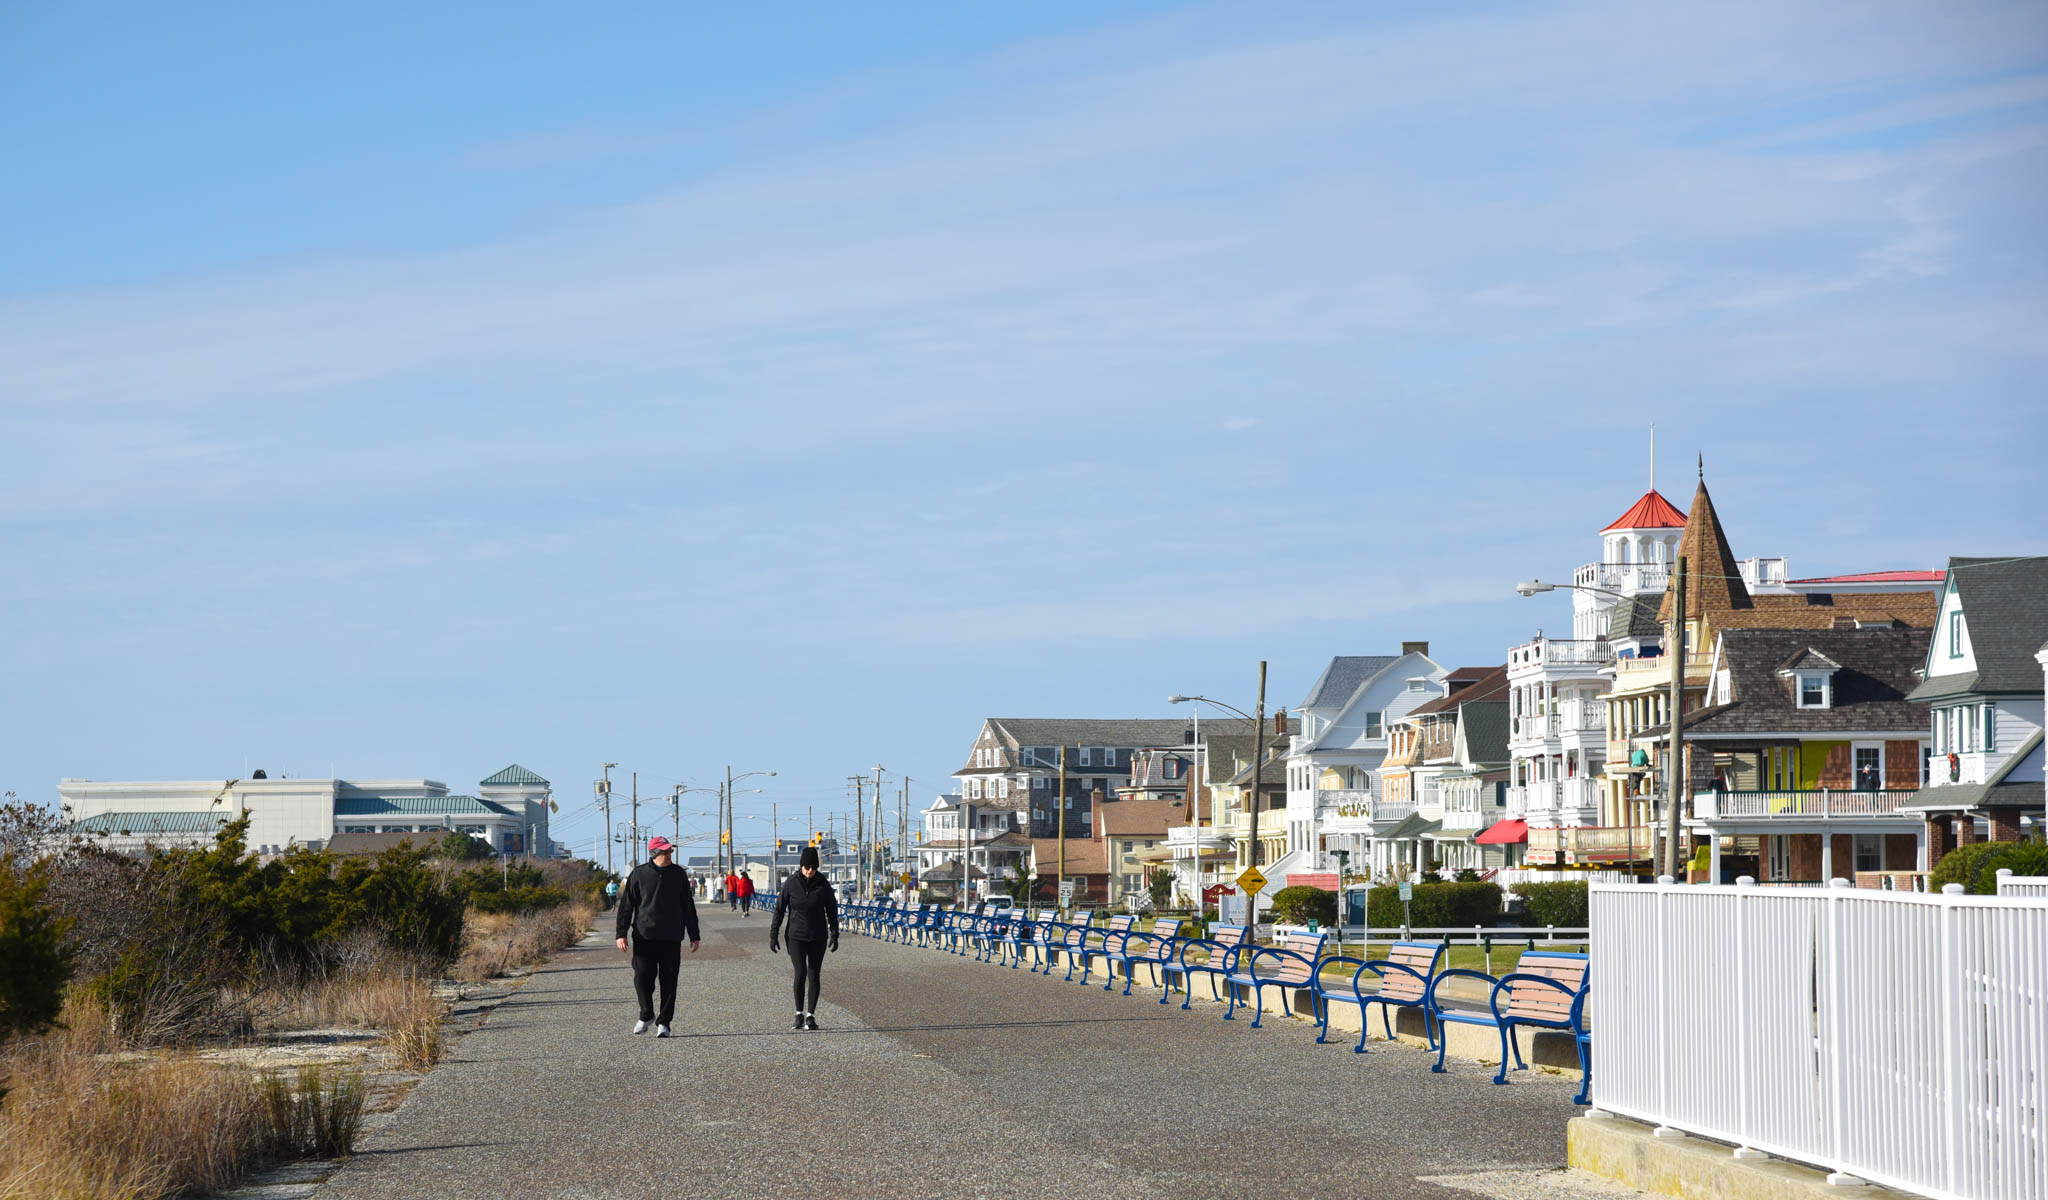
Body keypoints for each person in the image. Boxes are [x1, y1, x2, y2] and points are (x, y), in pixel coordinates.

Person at [614, 836, 700, 1038]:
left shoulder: (679, 874)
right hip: (644, 937)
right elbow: (627, 906)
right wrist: (621, 933)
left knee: (669, 981)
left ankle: (664, 1023)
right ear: (653, 853)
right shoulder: (639, 874)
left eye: (670, 851)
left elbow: (688, 906)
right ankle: (646, 1014)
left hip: (671, 937)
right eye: (664, 852)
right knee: (642, 979)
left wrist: (694, 935)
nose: (669, 854)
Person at [768, 845, 838, 1031]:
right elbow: (779, 910)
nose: (810, 871)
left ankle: (811, 1016)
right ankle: (798, 1014)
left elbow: (832, 909)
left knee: (814, 974)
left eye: (813, 868)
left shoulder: (823, 884)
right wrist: (773, 935)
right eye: (807, 867)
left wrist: (834, 933)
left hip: (818, 936)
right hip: (796, 936)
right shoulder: (791, 883)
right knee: (800, 973)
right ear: (801, 866)